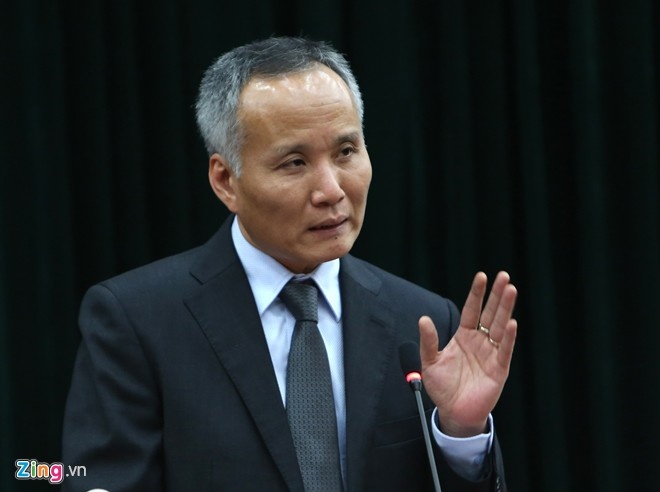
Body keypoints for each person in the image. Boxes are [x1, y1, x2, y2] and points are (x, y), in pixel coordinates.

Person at [62, 36, 517, 492]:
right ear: (226, 180)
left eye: (345, 152)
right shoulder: (139, 321)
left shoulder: (422, 323)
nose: (331, 190)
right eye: (295, 163)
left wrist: (461, 434)